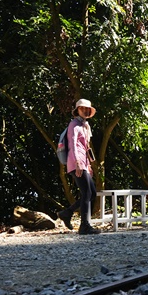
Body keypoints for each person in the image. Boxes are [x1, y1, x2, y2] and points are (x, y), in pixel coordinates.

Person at [58, 99, 98, 235]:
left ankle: (67, 213)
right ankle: (84, 226)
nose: (86, 111)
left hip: (84, 163)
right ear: (78, 110)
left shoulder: (85, 126)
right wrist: (78, 164)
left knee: (92, 193)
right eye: (83, 109)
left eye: (88, 109)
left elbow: (86, 147)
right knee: (86, 192)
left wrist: (89, 164)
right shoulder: (74, 125)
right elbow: (73, 145)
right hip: (76, 163)